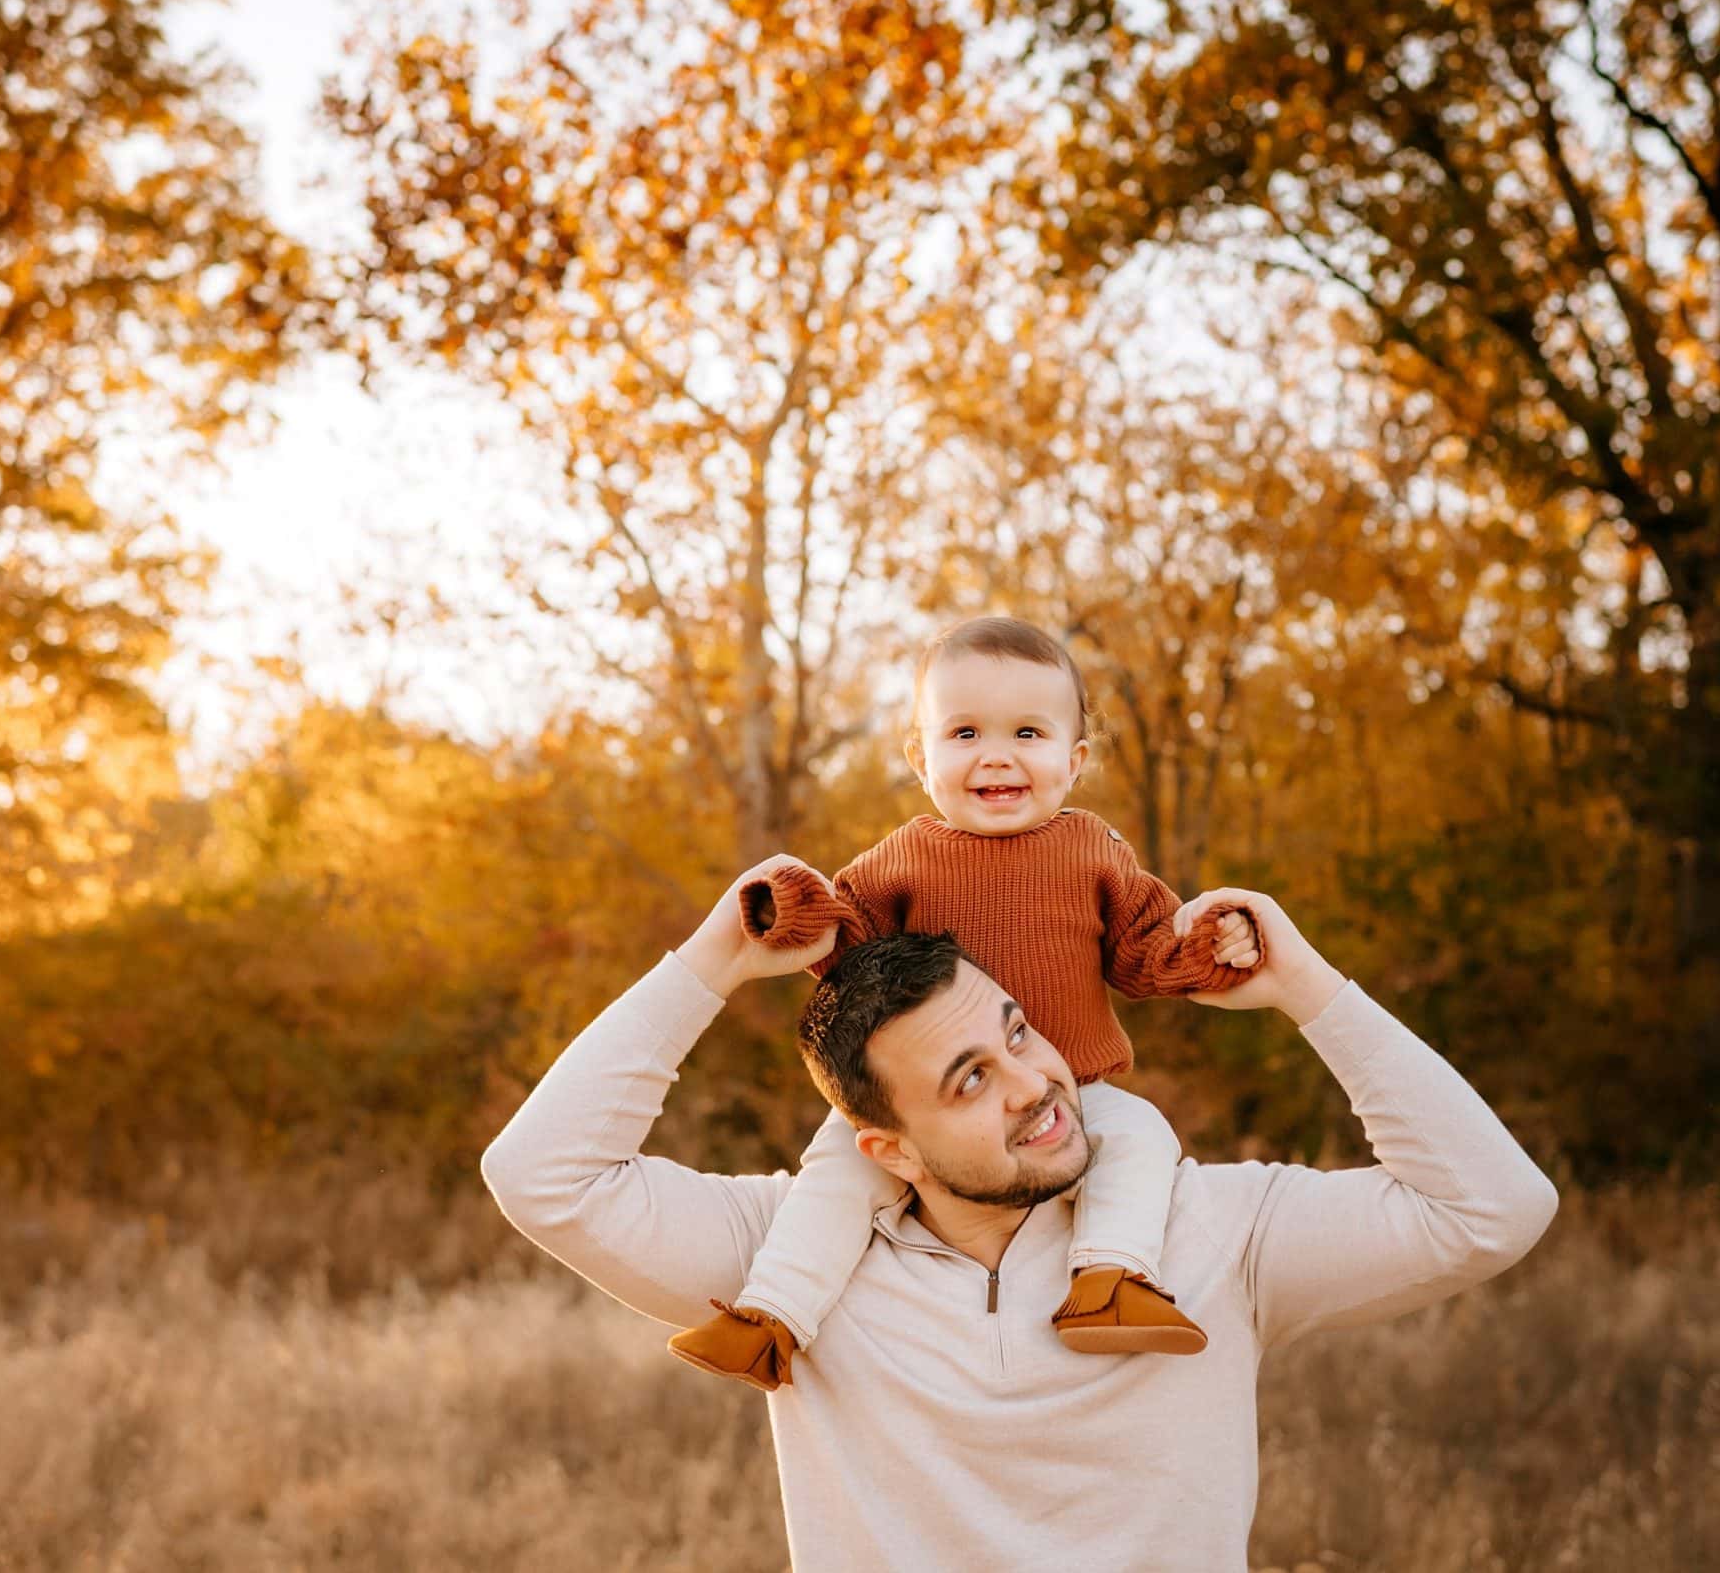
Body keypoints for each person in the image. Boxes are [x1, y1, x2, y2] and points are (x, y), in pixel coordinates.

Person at [482, 867, 1560, 1569]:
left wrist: (1306, 987)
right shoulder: (792, 1259)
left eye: (1018, 1031)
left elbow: (1492, 1206)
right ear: (887, 1148)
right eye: (967, 1079)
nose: (1036, 1082)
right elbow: (542, 1175)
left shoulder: (1210, 1229)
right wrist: (714, 957)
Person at [666, 616, 1263, 1389]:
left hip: (1075, 1087)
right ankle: (770, 1317)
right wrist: (784, 909)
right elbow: (841, 936)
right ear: (921, 757)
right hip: (922, 1104)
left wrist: (1215, 944)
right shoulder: (904, 856)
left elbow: (1145, 951)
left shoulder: (1093, 851)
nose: (997, 755)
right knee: (838, 1171)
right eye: (965, 732)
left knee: (1142, 1137)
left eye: (1028, 731)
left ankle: (1107, 1279)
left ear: (1073, 759)